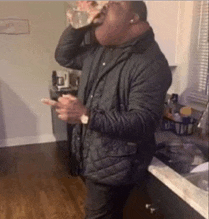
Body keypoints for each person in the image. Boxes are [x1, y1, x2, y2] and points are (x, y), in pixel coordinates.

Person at [42, 1, 172, 218]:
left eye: (114, 3)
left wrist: (86, 116)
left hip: (117, 166)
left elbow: (144, 122)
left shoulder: (150, 62)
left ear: (134, 17)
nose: (103, 6)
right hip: (95, 157)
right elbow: (64, 56)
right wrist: (78, 24)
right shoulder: (102, 50)